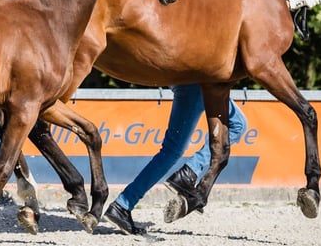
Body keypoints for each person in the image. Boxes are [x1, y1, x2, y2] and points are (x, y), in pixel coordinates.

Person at [103, 83, 248, 235]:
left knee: (172, 150)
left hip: (188, 83)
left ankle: (122, 205)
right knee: (237, 124)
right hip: (198, 83)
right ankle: (189, 172)